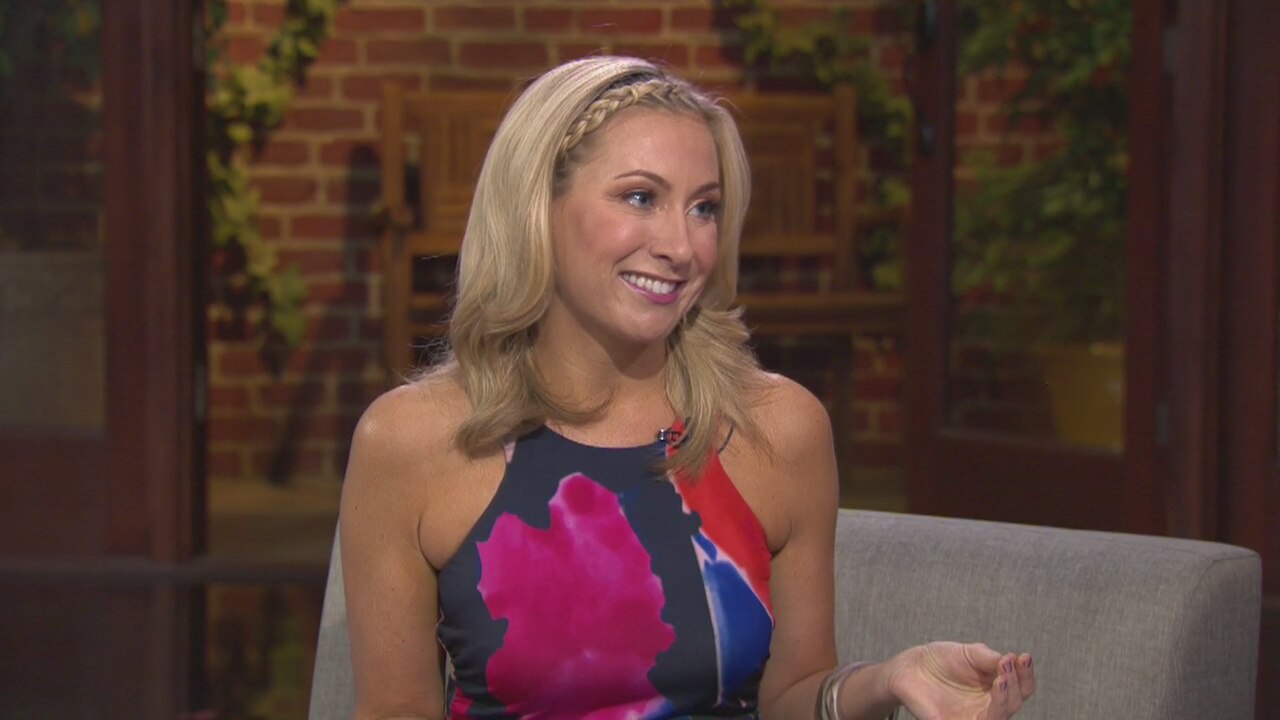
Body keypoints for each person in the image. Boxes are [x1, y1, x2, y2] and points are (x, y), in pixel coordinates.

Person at [340, 55, 1037, 720]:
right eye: (640, 197)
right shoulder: (411, 442)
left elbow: (793, 697)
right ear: (536, 208)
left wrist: (886, 681)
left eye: (704, 208)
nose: (681, 247)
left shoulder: (777, 427)